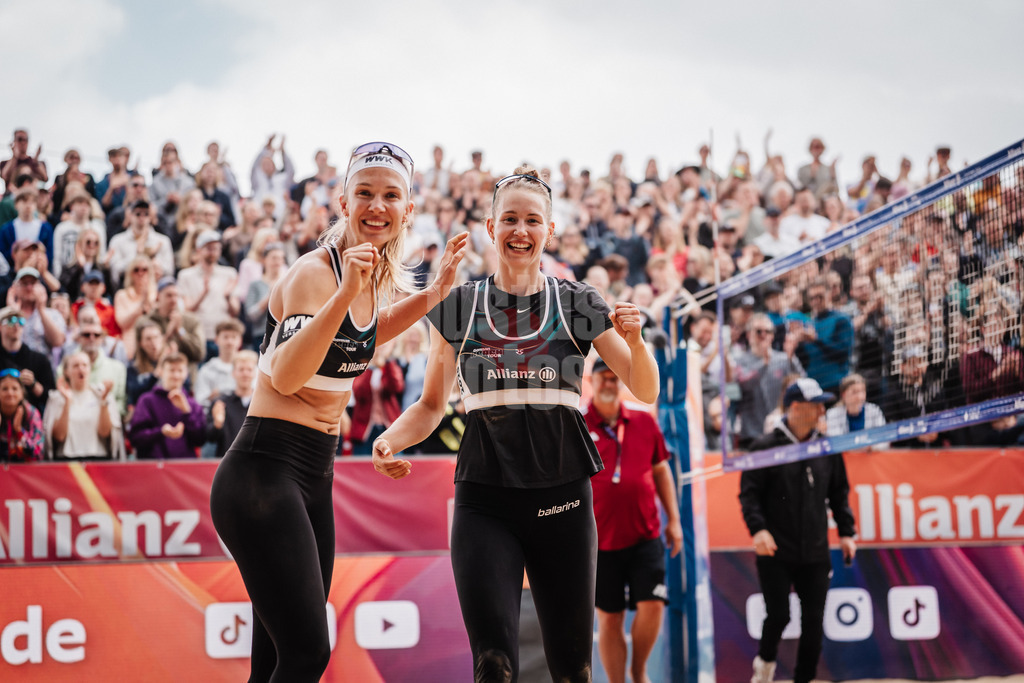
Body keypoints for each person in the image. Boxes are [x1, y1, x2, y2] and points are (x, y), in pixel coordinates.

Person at [372, 166, 659, 682]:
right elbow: (430, 406)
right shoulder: (458, 306)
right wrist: (389, 440)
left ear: (550, 230)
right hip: (485, 504)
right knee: (493, 664)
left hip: (563, 500)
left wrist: (636, 343)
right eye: (509, 219)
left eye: (532, 220)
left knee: (573, 671)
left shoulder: (578, 302)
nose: (520, 231)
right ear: (490, 226)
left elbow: (646, 388)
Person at [209, 141, 467, 682]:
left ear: (407, 210)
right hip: (263, 473)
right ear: (344, 203)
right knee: (307, 656)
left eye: (390, 196)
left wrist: (436, 290)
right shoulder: (317, 274)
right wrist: (346, 290)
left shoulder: (366, 279)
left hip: (310, 475)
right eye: (365, 193)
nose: (377, 205)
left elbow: (364, 335)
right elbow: (286, 376)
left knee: (276, 660)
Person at [739, 378, 857, 683]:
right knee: (779, 615)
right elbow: (749, 496)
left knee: (814, 624)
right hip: (776, 551)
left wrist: (847, 533)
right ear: (794, 408)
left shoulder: (826, 447)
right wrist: (758, 530)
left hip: (815, 551)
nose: (821, 410)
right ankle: (764, 669)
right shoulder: (765, 447)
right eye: (815, 405)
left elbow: (839, 493)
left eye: (822, 405)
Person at [586, 358, 681, 683]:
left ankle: (639, 672)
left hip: (645, 534)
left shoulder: (643, 421)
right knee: (610, 618)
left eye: (614, 378)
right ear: (591, 382)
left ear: (621, 383)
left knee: (653, 604)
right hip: (599, 542)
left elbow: (661, 470)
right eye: (603, 377)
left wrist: (674, 520)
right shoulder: (577, 423)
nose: (609, 383)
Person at [128, 352, 205, 459]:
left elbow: (200, 440)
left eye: (180, 370)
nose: (176, 375)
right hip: (153, 465)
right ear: (161, 372)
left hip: (185, 466)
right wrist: (161, 432)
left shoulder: (192, 404)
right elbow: (135, 438)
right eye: (171, 370)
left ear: (186, 373)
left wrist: (187, 412)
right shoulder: (146, 401)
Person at [43, 350, 118, 459]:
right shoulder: (56, 398)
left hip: (97, 458)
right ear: (66, 371)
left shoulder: (101, 395)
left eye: (84, 365)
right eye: (75, 366)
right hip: (66, 459)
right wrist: (67, 402)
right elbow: (59, 437)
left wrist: (103, 401)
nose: (81, 369)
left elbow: (104, 433)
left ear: (90, 369)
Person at [0, 305, 55, 414]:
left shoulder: (39, 360)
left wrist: (34, 384)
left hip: (30, 419)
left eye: (20, 321)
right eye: (11, 320)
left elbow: (52, 398)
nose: (16, 325)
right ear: (0, 326)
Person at [206, 350, 257, 458]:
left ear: (255, 372)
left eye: (249, 369)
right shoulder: (220, 403)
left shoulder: (262, 404)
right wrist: (217, 424)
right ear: (233, 373)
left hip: (255, 463)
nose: (245, 374)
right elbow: (209, 437)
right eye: (241, 369)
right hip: (226, 462)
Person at [0, 367, 45, 462]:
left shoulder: (31, 413)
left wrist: (20, 431)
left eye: (14, 388)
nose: (10, 393)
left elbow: (38, 454)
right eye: (4, 389)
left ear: (22, 393)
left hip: (25, 468)